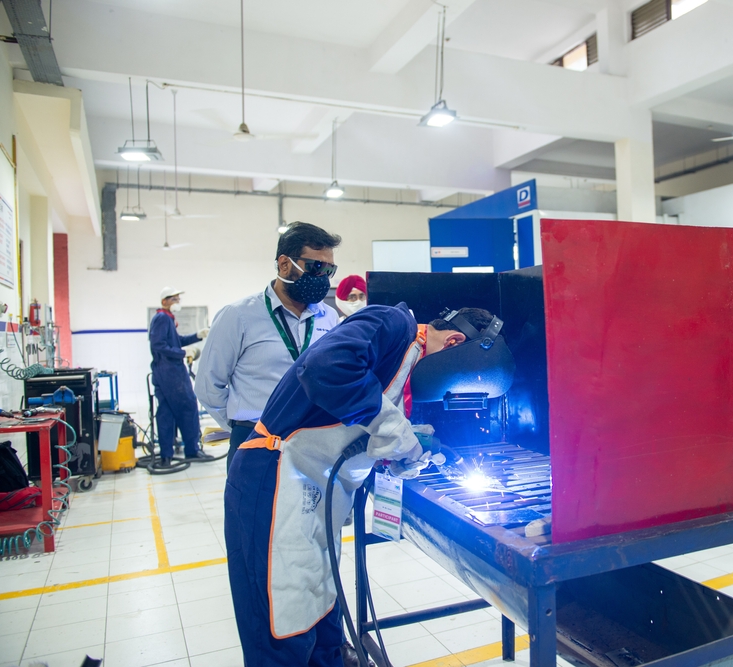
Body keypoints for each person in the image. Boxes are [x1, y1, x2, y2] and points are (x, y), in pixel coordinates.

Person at [225, 305, 497, 667]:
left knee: (320, 611)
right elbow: (325, 369)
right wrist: (393, 430)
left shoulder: (407, 366)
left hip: (314, 496)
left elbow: (352, 428)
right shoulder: (391, 322)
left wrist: (400, 450)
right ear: (453, 341)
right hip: (275, 482)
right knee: (284, 621)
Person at [195, 222, 342, 470]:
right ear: (285, 264)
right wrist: (245, 426)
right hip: (255, 438)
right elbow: (209, 386)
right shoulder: (238, 316)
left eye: (329, 270)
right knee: (254, 509)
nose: (322, 278)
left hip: (312, 439)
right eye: (315, 267)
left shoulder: (328, 317)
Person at [149, 287, 212, 467]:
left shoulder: (166, 319)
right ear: (164, 301)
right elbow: (158, 345)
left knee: (166, 413)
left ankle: (166, 456)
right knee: (188, 408)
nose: (177, 301)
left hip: (165, 373)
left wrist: (197, 336)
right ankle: (192, 450)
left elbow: (176, 341)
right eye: (173, 299)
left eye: (178, 298)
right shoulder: (162, 318)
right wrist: (181, 353)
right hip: (171, 374)